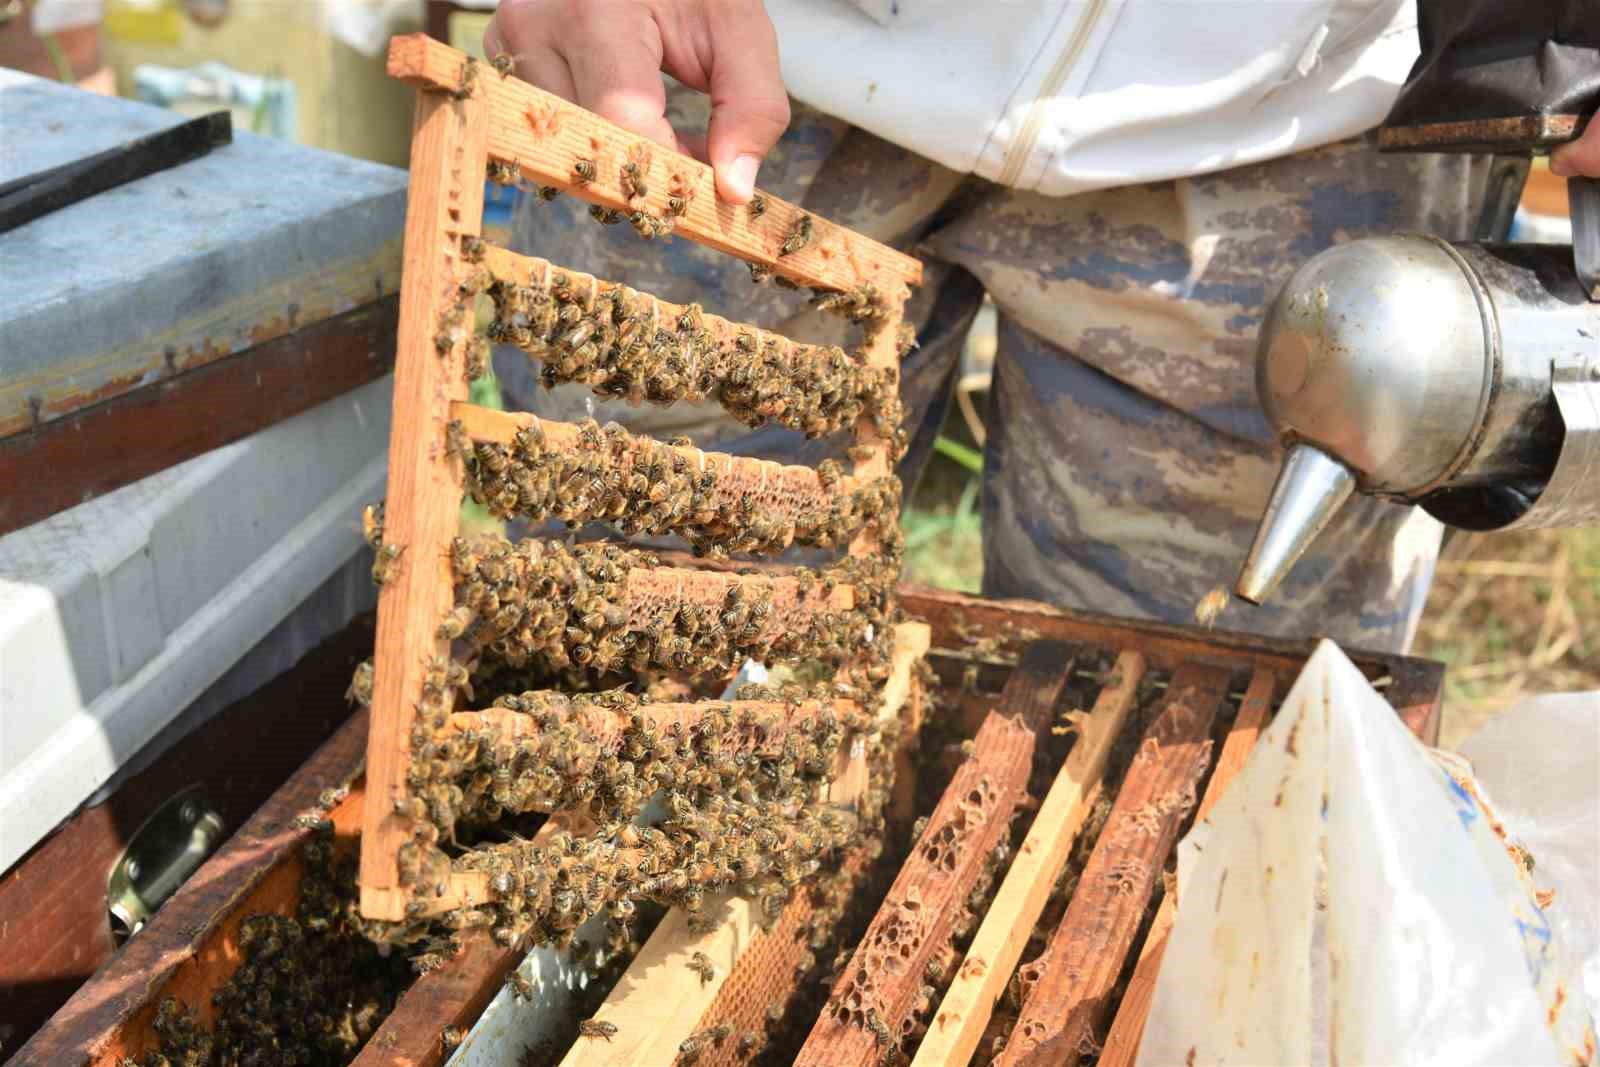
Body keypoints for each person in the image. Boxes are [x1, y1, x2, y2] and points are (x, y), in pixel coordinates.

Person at [479, 0, 1593, 654]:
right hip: (741, 58)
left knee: (1187, 774)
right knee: (636, 667)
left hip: (1306, 128)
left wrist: (1569, 38)